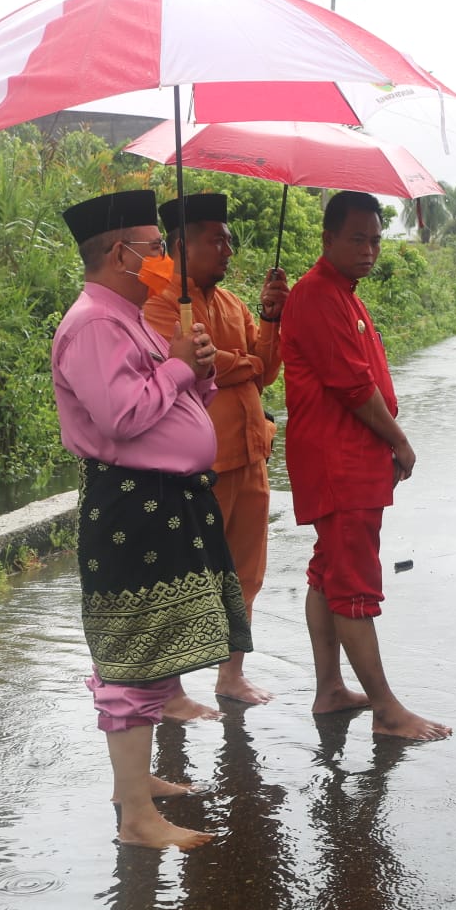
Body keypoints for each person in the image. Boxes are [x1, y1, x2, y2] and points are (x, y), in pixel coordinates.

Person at [52, 189, 249, 850]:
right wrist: (174, 368)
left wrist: (196, 369)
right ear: (119, 253)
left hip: (168, 499)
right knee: (133, 657)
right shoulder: (92, 324)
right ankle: (136, 816)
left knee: (158, 649)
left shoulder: (129, 314)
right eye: (156, 248)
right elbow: (121, 417)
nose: (165, 258)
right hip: (132, 506)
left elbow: (170, 393)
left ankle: (135, 786)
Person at [280, 190, 450, 741]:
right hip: (339, 463)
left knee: (328, 570)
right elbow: (354, 387)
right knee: (352, 582)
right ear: (328, 238)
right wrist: (399, 440)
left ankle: (330, 688)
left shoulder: (341, 293)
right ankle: (385, 709)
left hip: (347, 461)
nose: (370, 250)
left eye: (377, 239)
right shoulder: (317, 296)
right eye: (358, 239)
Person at [144, 193, 288, 716]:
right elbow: (197, 366)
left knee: (246, 572)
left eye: (229, 238)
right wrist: (240, 361)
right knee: (186, 575)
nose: (228, 248)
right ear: (181, 245)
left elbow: (265, 368)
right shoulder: (159, 301)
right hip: (196, 470)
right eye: (216, 239)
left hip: (249, 457)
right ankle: (171, 690)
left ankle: (232, 675)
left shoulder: (232, 304)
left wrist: (271, 316)